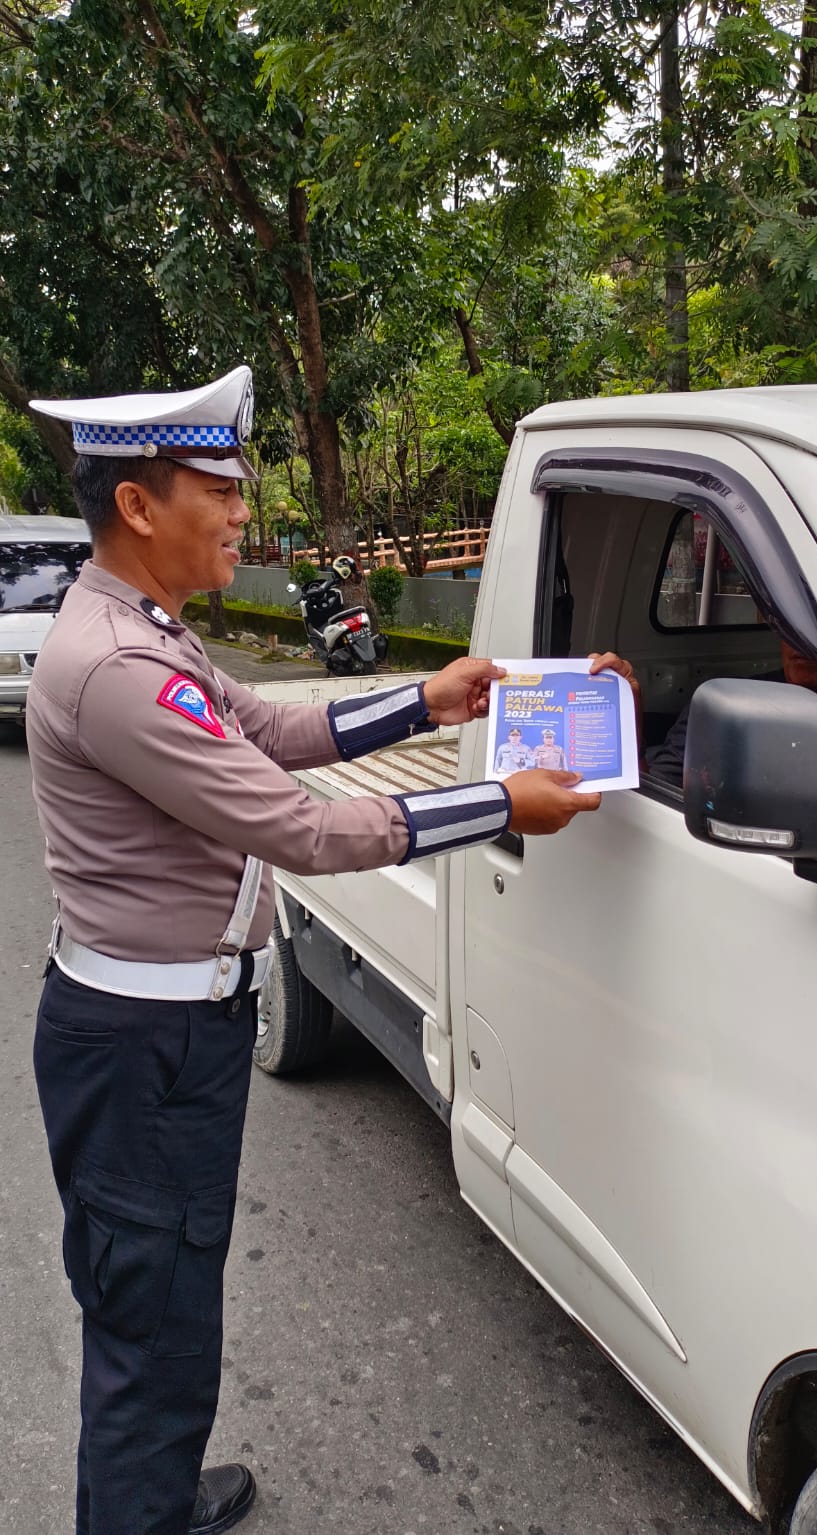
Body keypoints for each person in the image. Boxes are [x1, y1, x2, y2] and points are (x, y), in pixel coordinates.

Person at [25, 365, 600, 1535]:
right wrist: (497, 805)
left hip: (164, 1033)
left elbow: (266, 726)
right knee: (150, 1307)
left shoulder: (142, 627)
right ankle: (136, 1512)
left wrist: (425, 700)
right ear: (140, 507)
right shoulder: (120, 665)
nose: (244, 513)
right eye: (221, 490)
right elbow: (298, 826)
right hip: (147, 1049)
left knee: (169, 1293)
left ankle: (153, 1496)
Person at [592, 645, 817, 786]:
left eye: (811, 629)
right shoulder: (728, 706)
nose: (798, 640)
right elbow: (653, 791)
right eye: (789, 626)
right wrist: (625, 718)